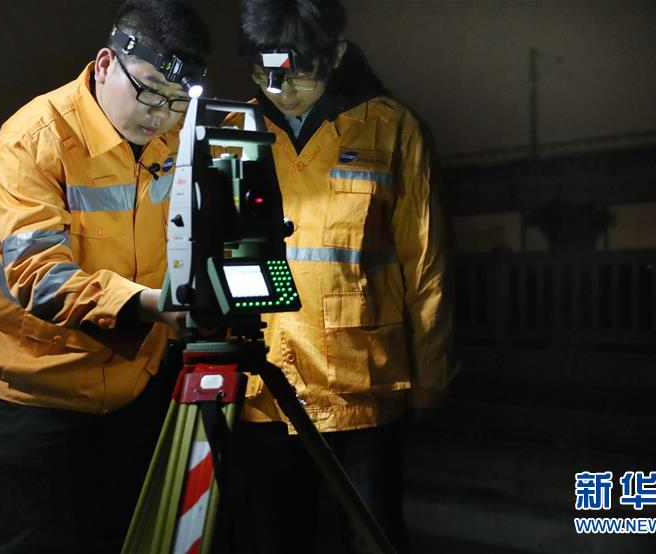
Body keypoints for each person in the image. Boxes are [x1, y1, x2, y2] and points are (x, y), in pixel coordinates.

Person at [0, 1, 210, 552]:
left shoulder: (178, 138)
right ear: (105, 64)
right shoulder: (35, 136)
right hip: (32, 393)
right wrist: (152, 305)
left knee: (126, 540)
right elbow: (37, 274)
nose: (161, 114)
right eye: (149, 91)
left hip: (133, 389)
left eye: (178, 101)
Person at [222, 1, 454, 552]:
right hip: (264, 386)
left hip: (364, 387)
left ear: (335, 54)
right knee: (276, 540)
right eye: (264, 72)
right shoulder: (232, 132)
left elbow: (426, 264)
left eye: (296, 72)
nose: (280, 89)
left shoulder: (392, 129)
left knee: (373, 537)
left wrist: (431, 376)